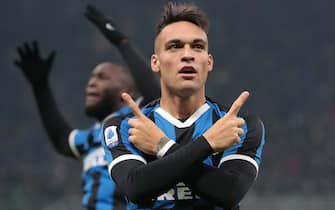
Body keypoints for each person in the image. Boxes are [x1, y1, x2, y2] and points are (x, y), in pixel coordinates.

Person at [102, 2, 265, 210]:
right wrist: (208, 144)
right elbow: (136, 188)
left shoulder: (239, 125)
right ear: (155, 62)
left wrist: (161, 146)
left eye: (197, 46)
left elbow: (229, 192)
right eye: (174, 46)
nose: (187, 54)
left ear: (209, 62)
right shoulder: (124, 126)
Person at [13, 4, 159, 210]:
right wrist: (40, 87)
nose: (91, 83)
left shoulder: (137, 121)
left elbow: (156, 96)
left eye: (102, 77)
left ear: (126, 90)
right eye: (91, 78)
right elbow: (62, 140)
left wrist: (122, 42)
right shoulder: (92, 137)